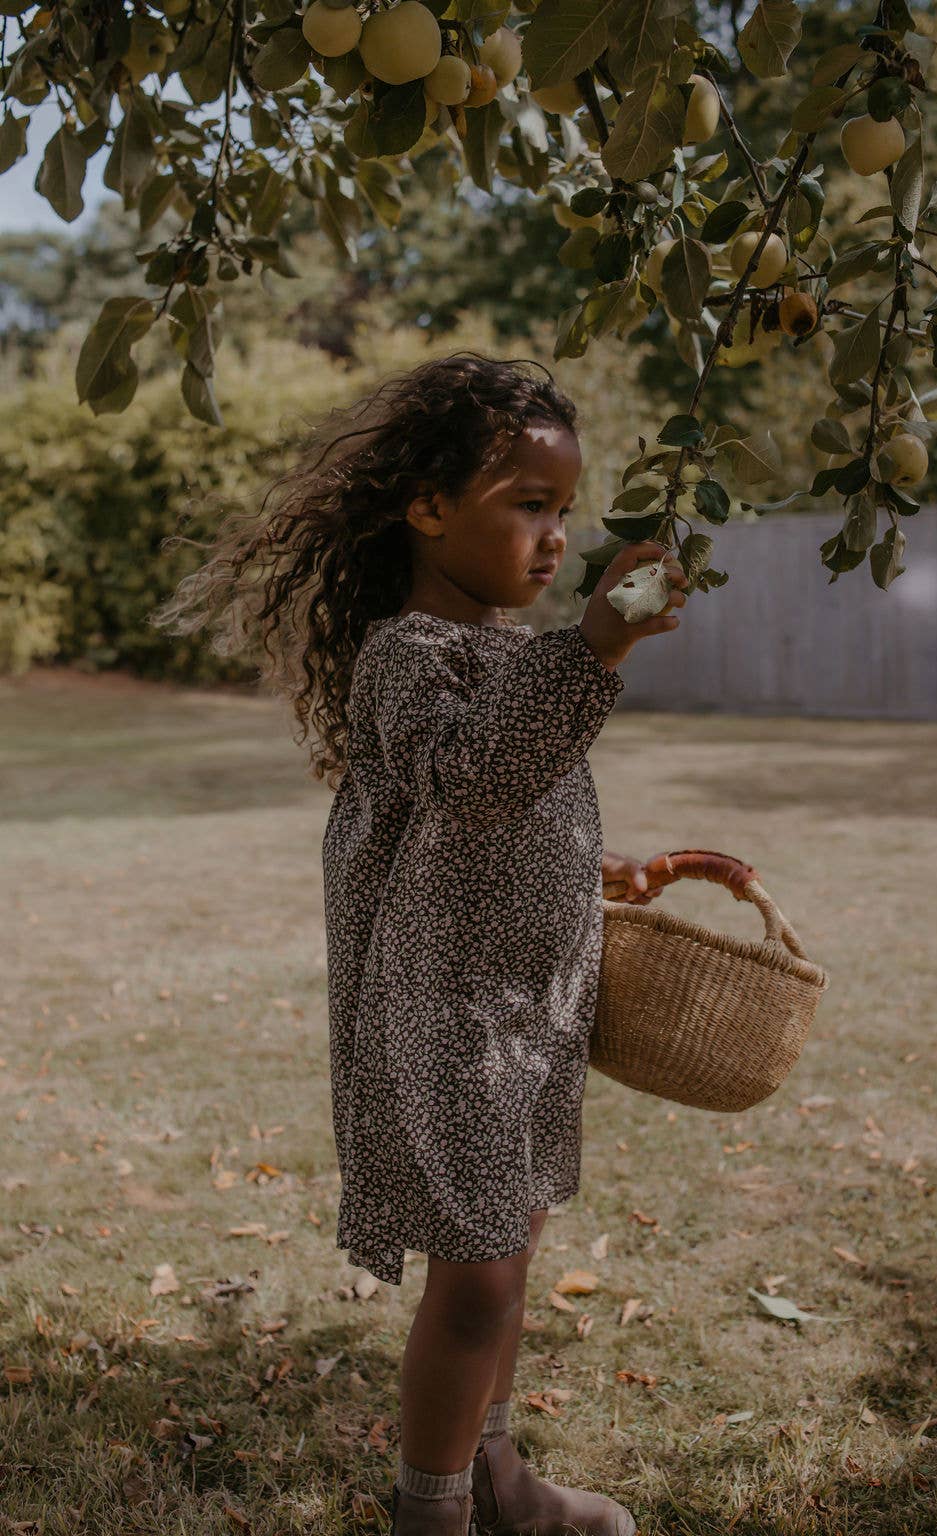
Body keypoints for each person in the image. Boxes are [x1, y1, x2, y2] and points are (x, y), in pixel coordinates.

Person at [150, 351, 688, 1536]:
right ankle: (429, 1513)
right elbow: (472, 777)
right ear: (429, 508)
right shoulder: (408, 656)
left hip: (533, 1006)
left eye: (563, 509)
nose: (555, 537)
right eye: (528, 504)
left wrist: (601, 865)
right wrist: (596, 644)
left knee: (511, 1252)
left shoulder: (517, 653)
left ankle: (498, 1479)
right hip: (449, 1014)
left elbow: (514, 809)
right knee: (479, 1277)